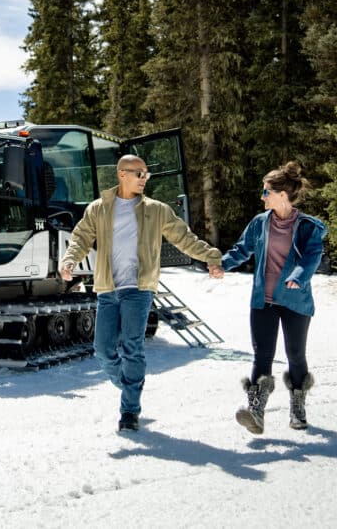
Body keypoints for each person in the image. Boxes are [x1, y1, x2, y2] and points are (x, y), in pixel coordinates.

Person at [60, 154, 225, 433]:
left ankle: (129, 411)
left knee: (132, 347)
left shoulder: (156, 210)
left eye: (146, 174)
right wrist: (69, 259)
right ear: (122, 174)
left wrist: (211, 256)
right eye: (139, 174)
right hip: (108, 289)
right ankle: (130, 390)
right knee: (102, 351)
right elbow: (81, 237)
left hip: (138, 289)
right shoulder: (99, 208)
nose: (144, 179)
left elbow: (184, 237)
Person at [221, 161, 327, 434]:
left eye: (266, 191)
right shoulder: (260, 223)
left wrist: (298, 276)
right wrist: (222, 264)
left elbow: (313, 257)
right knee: (262, 355)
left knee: (295, 355)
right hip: (263, 301)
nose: (262, 196)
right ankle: (255, 411)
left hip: (295, 302)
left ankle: (298, 407)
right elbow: (242, 249)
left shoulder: (306, 227)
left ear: (282, 194)